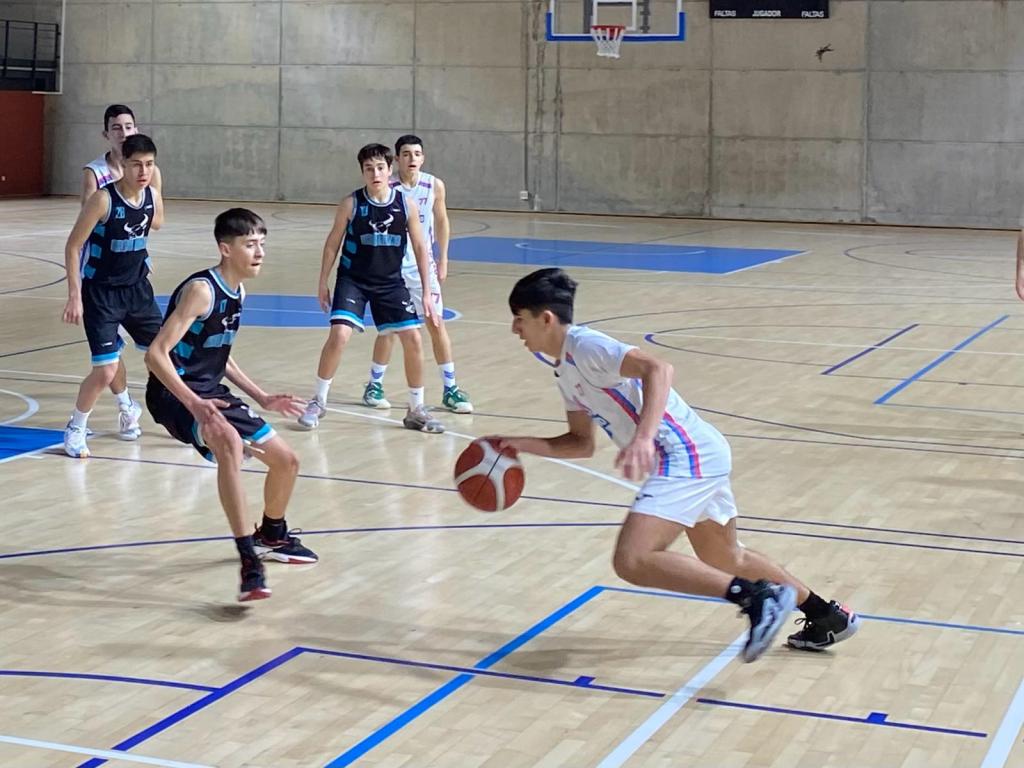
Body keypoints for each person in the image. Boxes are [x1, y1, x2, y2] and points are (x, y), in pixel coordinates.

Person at [489, 268, 860, 662]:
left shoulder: (586, 346)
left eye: (519, 318)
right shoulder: (565, 370)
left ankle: (756, 598)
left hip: (683, 454)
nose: (515, 329)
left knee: (632, 559)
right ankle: (826, 616)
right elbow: (581, 442)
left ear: (546, 318)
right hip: (699, 453)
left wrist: (644, 437)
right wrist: (516, 444)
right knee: (726, 558)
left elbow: (658, 369)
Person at [145, 208, 318, 602]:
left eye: (262, 244)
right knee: (229, 444)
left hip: (209, 390)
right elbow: (156, 355)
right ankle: (249, 563)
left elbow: (219, 353)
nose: (259, 252)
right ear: (226, 249)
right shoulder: (202, 291)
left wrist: (262, 396)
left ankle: (272, 535)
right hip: (173, 394)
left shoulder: (237, 290)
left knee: (287, 461)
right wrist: (194, 404)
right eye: (250, 244)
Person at [297, 143, 444, 434]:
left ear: (390, 170)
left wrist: (427, 292)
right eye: (368, 169)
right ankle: (318, 401)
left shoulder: (406, 204)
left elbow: (420, 247)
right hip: (353, 280)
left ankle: (416, 409)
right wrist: (322, 282)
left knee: (413, 338)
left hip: (390, 282)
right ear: (362, 172)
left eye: (380, 168)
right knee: (340, 334)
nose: (375, 174)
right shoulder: (351, 204)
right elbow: (332, 244)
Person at [61, 134, 165, 458]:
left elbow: (156, 224)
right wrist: (74, 296)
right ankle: (76, 428)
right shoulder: (103, 200)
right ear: (123, 164)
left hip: (138, 291)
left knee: (164, 356)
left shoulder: (152, 197)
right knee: (105, 369)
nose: (143, 171)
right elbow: (73, 246)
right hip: (101, 294)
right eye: (136, 165)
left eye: (149, 164)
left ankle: (185, 417)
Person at [359, 135, 472, 414]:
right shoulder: (387, 186)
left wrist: (443, 257)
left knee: (436, 323)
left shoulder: (434, 185)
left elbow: (442, 221)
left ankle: (450, 388)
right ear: (396, 159)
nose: (412, 159)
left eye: (417, 154)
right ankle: (374, 384)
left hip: (423, 267)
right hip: (392, 269)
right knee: (389, 330)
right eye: (406, 154)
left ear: (423, 157)